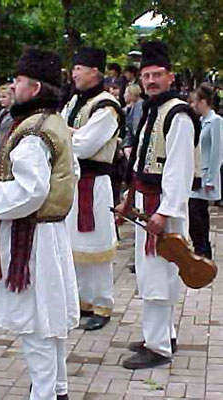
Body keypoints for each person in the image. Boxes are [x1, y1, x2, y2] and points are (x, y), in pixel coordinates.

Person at [0, 47, 79, 400]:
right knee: (50, 323)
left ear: (33, 88)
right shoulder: (53, 122)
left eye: (17, 81)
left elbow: (31, 192)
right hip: (47, 233)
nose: (12, 86)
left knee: (37, 325)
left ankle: (45, 395)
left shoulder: (33, 132)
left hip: (33, 237)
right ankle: (58, 389)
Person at [117, 41, 200, 369]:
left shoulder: (178, 115)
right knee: (155, 276)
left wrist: (165, 212)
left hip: (163, 209)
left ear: (171, 77)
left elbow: (179, 169)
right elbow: (141, 162)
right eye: (146, 76)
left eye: (157, 75)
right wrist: (128, 199)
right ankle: (163, 334)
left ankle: (159, 347)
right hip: (146, 203)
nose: (150, 81)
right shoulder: (153, 109)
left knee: (157, 277)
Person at [62, 47, 124, 331]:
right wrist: (71, 135)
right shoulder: (74, 101)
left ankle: (102, 302)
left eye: (78, 68)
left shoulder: (106, 106)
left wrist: (66, 136)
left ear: (94, 71)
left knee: (97, 243)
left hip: (96, 183)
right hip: (72, 182)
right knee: (74, 242)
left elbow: (85, 145)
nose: (73, 73)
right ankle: (82, 300)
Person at [189, 84, 222, 259]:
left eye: (196, 102)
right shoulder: (201, 121)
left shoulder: (215, 121)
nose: (193, 106)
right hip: (197, 174)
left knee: (196, 212)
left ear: (204, 102)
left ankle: (202, 247)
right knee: (198, 213)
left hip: (205, 175)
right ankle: (202, 247)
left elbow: (217, 152)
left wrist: (210, 179)